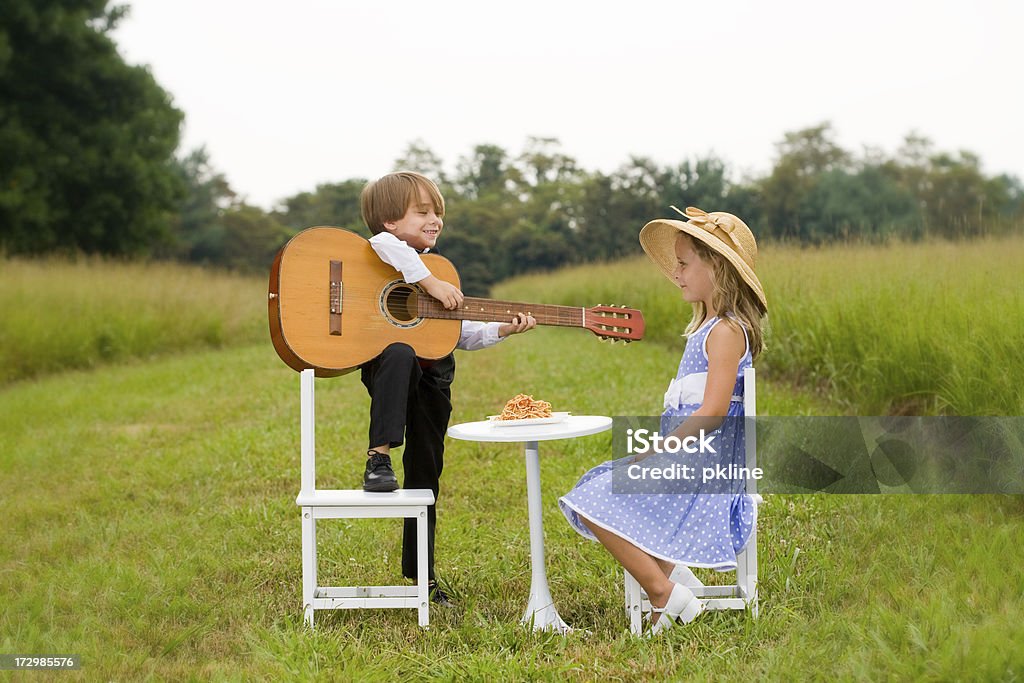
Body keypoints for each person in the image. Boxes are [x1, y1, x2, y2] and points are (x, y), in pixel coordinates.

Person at [558, 205, 768, 634]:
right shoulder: (706, 327)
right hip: (690, 461)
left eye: (685, 263)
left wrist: (659, 449)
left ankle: (664, 593)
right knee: (594, 485)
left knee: (594, 499)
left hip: (705, 468)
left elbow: (711, 414)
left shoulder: (727, 331)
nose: (676, 273)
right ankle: (668, 583)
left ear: (718, 268)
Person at [358, 171, 536, 605]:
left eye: (438, 212)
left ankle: (423, 575)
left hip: (435, 380)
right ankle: (378, 460)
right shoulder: (385, 253)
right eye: (422, 212)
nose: (435, 219)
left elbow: (464, 334)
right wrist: (428, 283)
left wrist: (503, 329)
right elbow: (383, 247)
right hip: (390, 371)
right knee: (400, 349)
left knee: (426, 476)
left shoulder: (439, 270)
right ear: (389, 221)